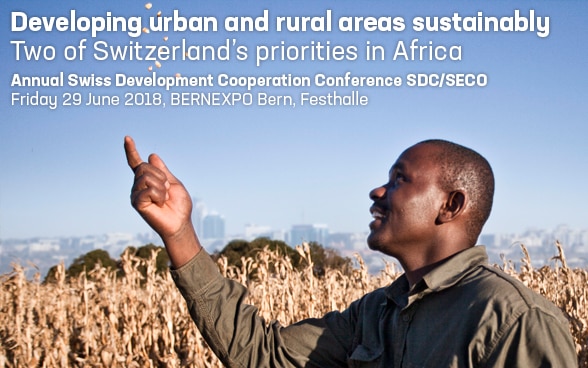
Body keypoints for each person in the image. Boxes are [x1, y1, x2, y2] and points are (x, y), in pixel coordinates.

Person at [124, 136, 577, 367]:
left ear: (450, 205)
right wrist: (180, 233)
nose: (377, 190)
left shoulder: (512, 321)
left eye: (400, 179)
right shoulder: (375, 314)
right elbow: (264, 357)